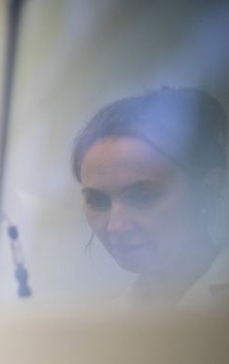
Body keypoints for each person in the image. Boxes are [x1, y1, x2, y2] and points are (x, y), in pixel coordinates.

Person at [70, 87, 229, 308]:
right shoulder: (106, 317)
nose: (116, 226)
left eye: (143, 197)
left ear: (208, 188)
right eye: (98, 201)